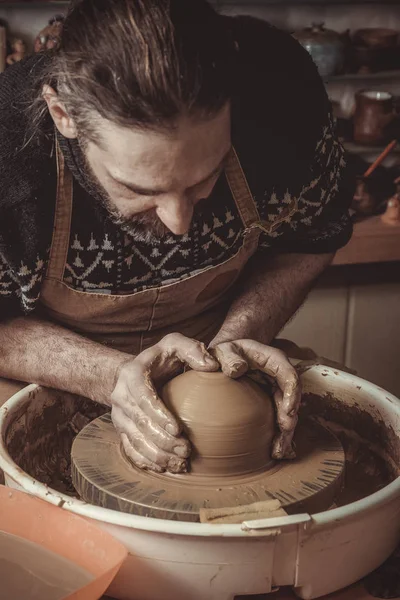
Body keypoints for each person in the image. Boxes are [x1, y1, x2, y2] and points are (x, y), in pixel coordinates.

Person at [0, 0, 354, 475]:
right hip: (48, 370)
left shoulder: (282, 95)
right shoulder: (8, 150)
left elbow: (312, 237)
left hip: (217, 350)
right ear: (63, 114)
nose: (179, 222)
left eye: (204, 179)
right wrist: (107, 376)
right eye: (140, 189)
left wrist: (237, 342)